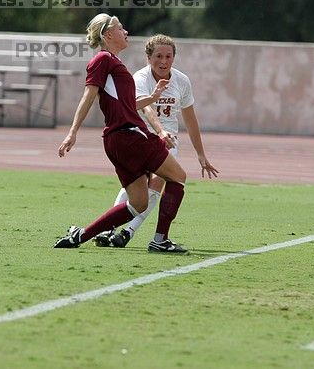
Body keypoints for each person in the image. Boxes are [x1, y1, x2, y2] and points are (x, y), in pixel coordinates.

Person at [54, 13, 189, 253]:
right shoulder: (103, 59)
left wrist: (153, 97)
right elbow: (89, 95)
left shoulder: (113, 63)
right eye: (120, 28)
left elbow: (127, 104)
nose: (125, 31)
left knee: (137, 204)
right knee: (177, 176)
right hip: (130, 136)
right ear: (108, 35)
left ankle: (80, 236)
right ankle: (160, 240)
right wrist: (72, 132)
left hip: (118, 140)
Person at [93, 34, 219, 248]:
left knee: (158, 183)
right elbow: (147, 108)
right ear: (148, 57)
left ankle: (128, 232)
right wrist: (159, 131)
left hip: (169, 141)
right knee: (135, 185)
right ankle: (110, 230)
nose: (164, 61)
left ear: (174, 57)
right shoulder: (139, 78)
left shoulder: (181, 81)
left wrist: (200, 154)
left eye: (168, 56)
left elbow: (190, 118)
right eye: (158, 56)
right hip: (140, 135)